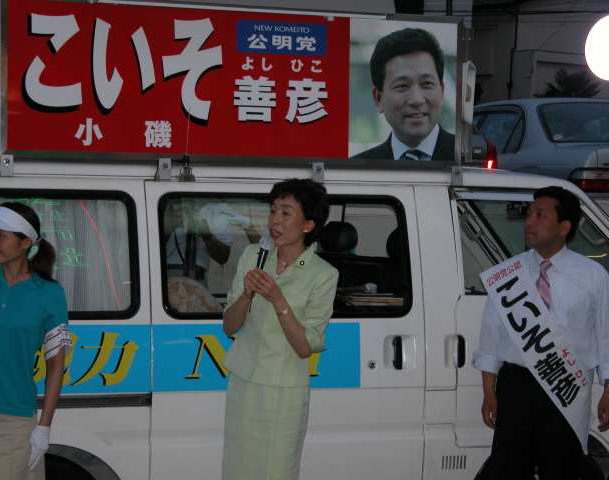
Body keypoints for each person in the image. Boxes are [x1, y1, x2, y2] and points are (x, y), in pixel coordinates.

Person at [473, 187, 609, 479]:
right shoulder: (508, 274)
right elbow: (491, 336)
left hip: (567, 385)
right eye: (529, 214)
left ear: (564, 227)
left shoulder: (593, 276)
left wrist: (608, 390)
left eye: (540, 215)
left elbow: (605, 337)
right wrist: (488, 391)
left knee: (562, 468)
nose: (529, 221)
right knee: (509, 468)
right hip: (516, 385)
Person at [221, 179, 338, 480]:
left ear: (308, 225)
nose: (275, 220)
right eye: (273, 210)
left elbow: (305, 346)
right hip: (244, 382)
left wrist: (277, 299)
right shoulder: (252, 256)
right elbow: (229, 326)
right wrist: (246, 295)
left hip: (283, 391)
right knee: (238, 469)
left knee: (277, 471)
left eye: (286, 213)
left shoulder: (323, 274)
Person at [0, 202, 70, 480]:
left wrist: (44, 427)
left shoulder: (50, 294)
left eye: (1, 235)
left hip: (12, 421)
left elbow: (56, 364)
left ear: (25, 242)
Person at [352, 28, 455, 162]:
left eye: (427, 84)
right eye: (402, 86)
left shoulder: (468, 161)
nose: (417, 100)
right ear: (378, 99)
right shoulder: (358, 168)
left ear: (442, 91)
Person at [165, 202, 259, 284]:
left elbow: (222, 258)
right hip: (166, 278)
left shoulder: (218, 211)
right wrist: (172, 224)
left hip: (198, 280)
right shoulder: (170, 204)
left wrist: (207, 236)